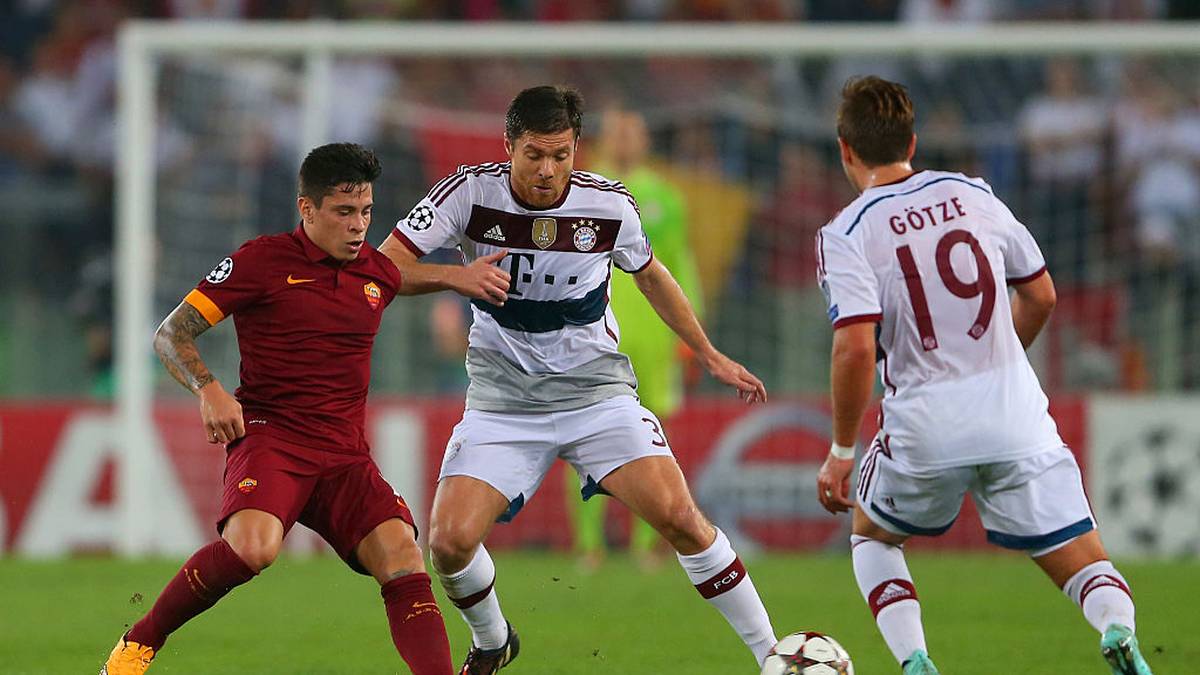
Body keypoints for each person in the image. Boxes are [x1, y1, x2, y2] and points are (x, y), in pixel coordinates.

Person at [379, 85, 778, 673]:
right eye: (534, 155)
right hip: (503, 398)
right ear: (508, 145)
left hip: (595, 391)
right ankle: (493, 641)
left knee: (682, 520)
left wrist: (709, 353)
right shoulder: (467, 193)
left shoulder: (610, 205)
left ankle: (773, 656)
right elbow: (384, 265)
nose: (548, 170)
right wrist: (452, 279)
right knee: (447, 543)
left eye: (561, 155)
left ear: (577, 150)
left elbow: (652, 276)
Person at [814, 76, 1153, 675]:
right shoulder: (973, 194)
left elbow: (854, 350)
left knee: (872, 537)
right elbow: (1042, 295)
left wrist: (842, 449)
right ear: (912, 141)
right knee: (1082, 557)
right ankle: (1116, 629)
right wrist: (996, 361)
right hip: (1015, 416)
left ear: (845, 149)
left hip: (925, 427)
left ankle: (915, 659)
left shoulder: (845, 232)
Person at [101, 143, 455, 675]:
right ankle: (140, 642)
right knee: (255, 549)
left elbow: (402, 279)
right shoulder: (261, 261)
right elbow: (171, 333)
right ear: (306, 209)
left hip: (344, 454)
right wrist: (209, 390)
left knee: (403, 554)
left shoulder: (374, 270)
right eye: (343, 212)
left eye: (366, 212)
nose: (358, 226)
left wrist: (457, 277)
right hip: (273, 438)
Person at [563, 106, 704, 572]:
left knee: (652, 438)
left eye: (633, 132)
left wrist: (691, 332)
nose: (625, 141)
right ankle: (589, 545)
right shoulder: (578, 191)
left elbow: (680, 267)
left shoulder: (665, 196)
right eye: (618, 132)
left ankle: (647, 546)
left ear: (644, 140)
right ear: (604, 138)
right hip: (591, 334)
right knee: (581, 436)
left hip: (653, 335)